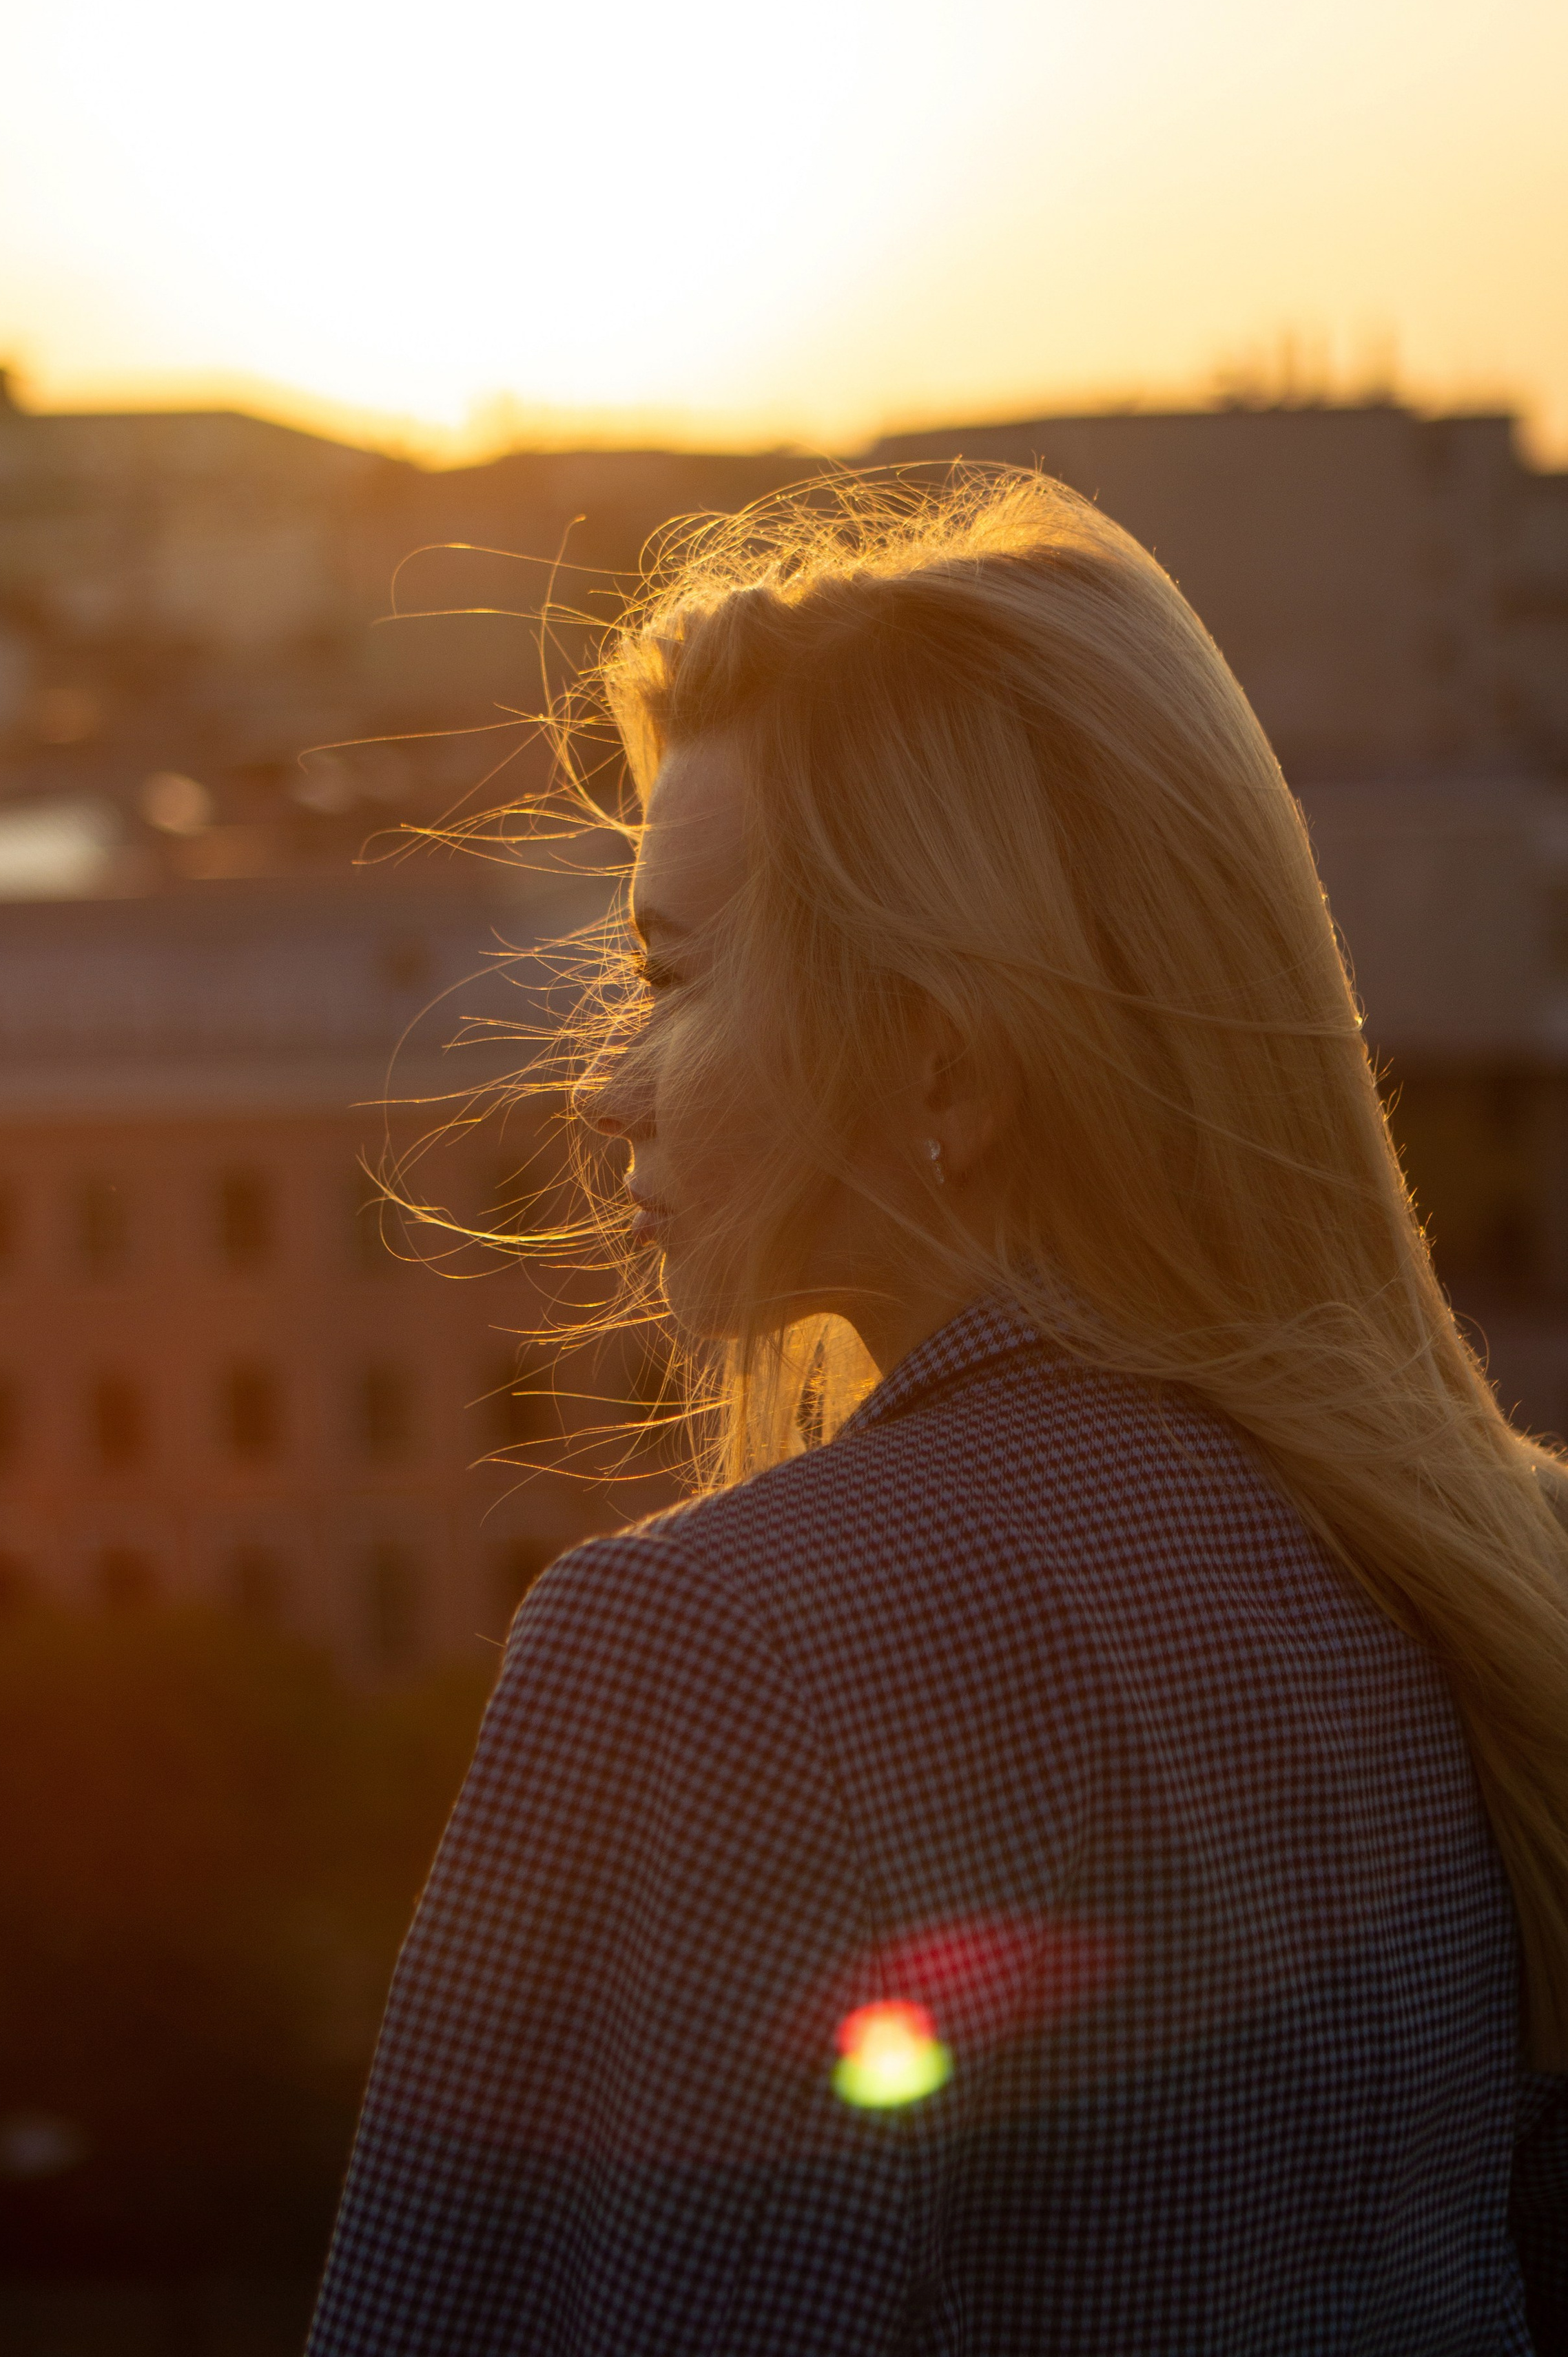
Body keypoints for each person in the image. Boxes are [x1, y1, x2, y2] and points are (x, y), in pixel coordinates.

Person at [307, 472, 1568, 2354]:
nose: (608, 1098)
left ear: (943, 1062)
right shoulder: (1479, 1566)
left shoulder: (715, 1652)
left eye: (672, 977)